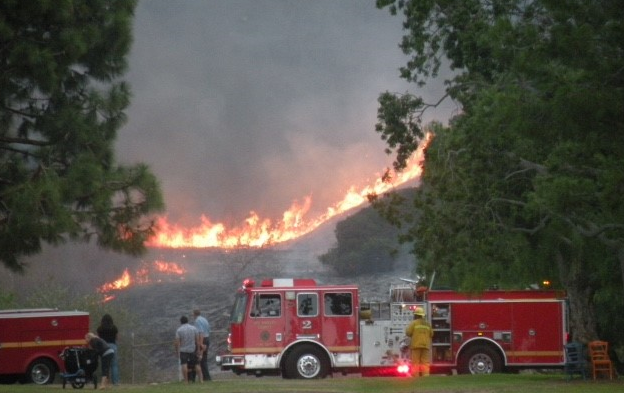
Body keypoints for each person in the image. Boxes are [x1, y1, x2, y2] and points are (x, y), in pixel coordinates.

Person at [405, 306, 433, 377]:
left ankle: (416, 376)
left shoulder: (414, 323)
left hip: (416, 345)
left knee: (415, 362)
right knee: (425, 362)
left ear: (416, 315)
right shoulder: (427, 324)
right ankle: (425, 376)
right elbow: (432, 334)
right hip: (425, 345)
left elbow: (408, 333)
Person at [174, 315, 203, 383]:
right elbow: (197, 340)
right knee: (196, 364)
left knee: (184, 364)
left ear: (181, 322)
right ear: (187, 321)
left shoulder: (179, 330)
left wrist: (177, 351)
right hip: (192, 349)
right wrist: (198, 349)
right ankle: (201, 380)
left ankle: (186, 381)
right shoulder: (194, 328)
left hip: (183, 350)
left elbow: (177, 342)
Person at [96, 314, 120, 385]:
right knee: (114, 365)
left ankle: (105, 382)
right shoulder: (114, 328)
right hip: (113, 346)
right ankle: (115, 382)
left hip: (103, 347)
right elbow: (117, 338)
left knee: (105, 365)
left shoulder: (100, 328)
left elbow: (97, 339)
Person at [192, 309, 212, 381]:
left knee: (198, 359)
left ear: (194, 314)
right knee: (204, 359)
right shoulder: (204, 319)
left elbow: (201, 332)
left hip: (202, 340)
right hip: (207, 339)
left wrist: (200, 344)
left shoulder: (197, 321)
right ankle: (206, 377)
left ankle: (202, 377)